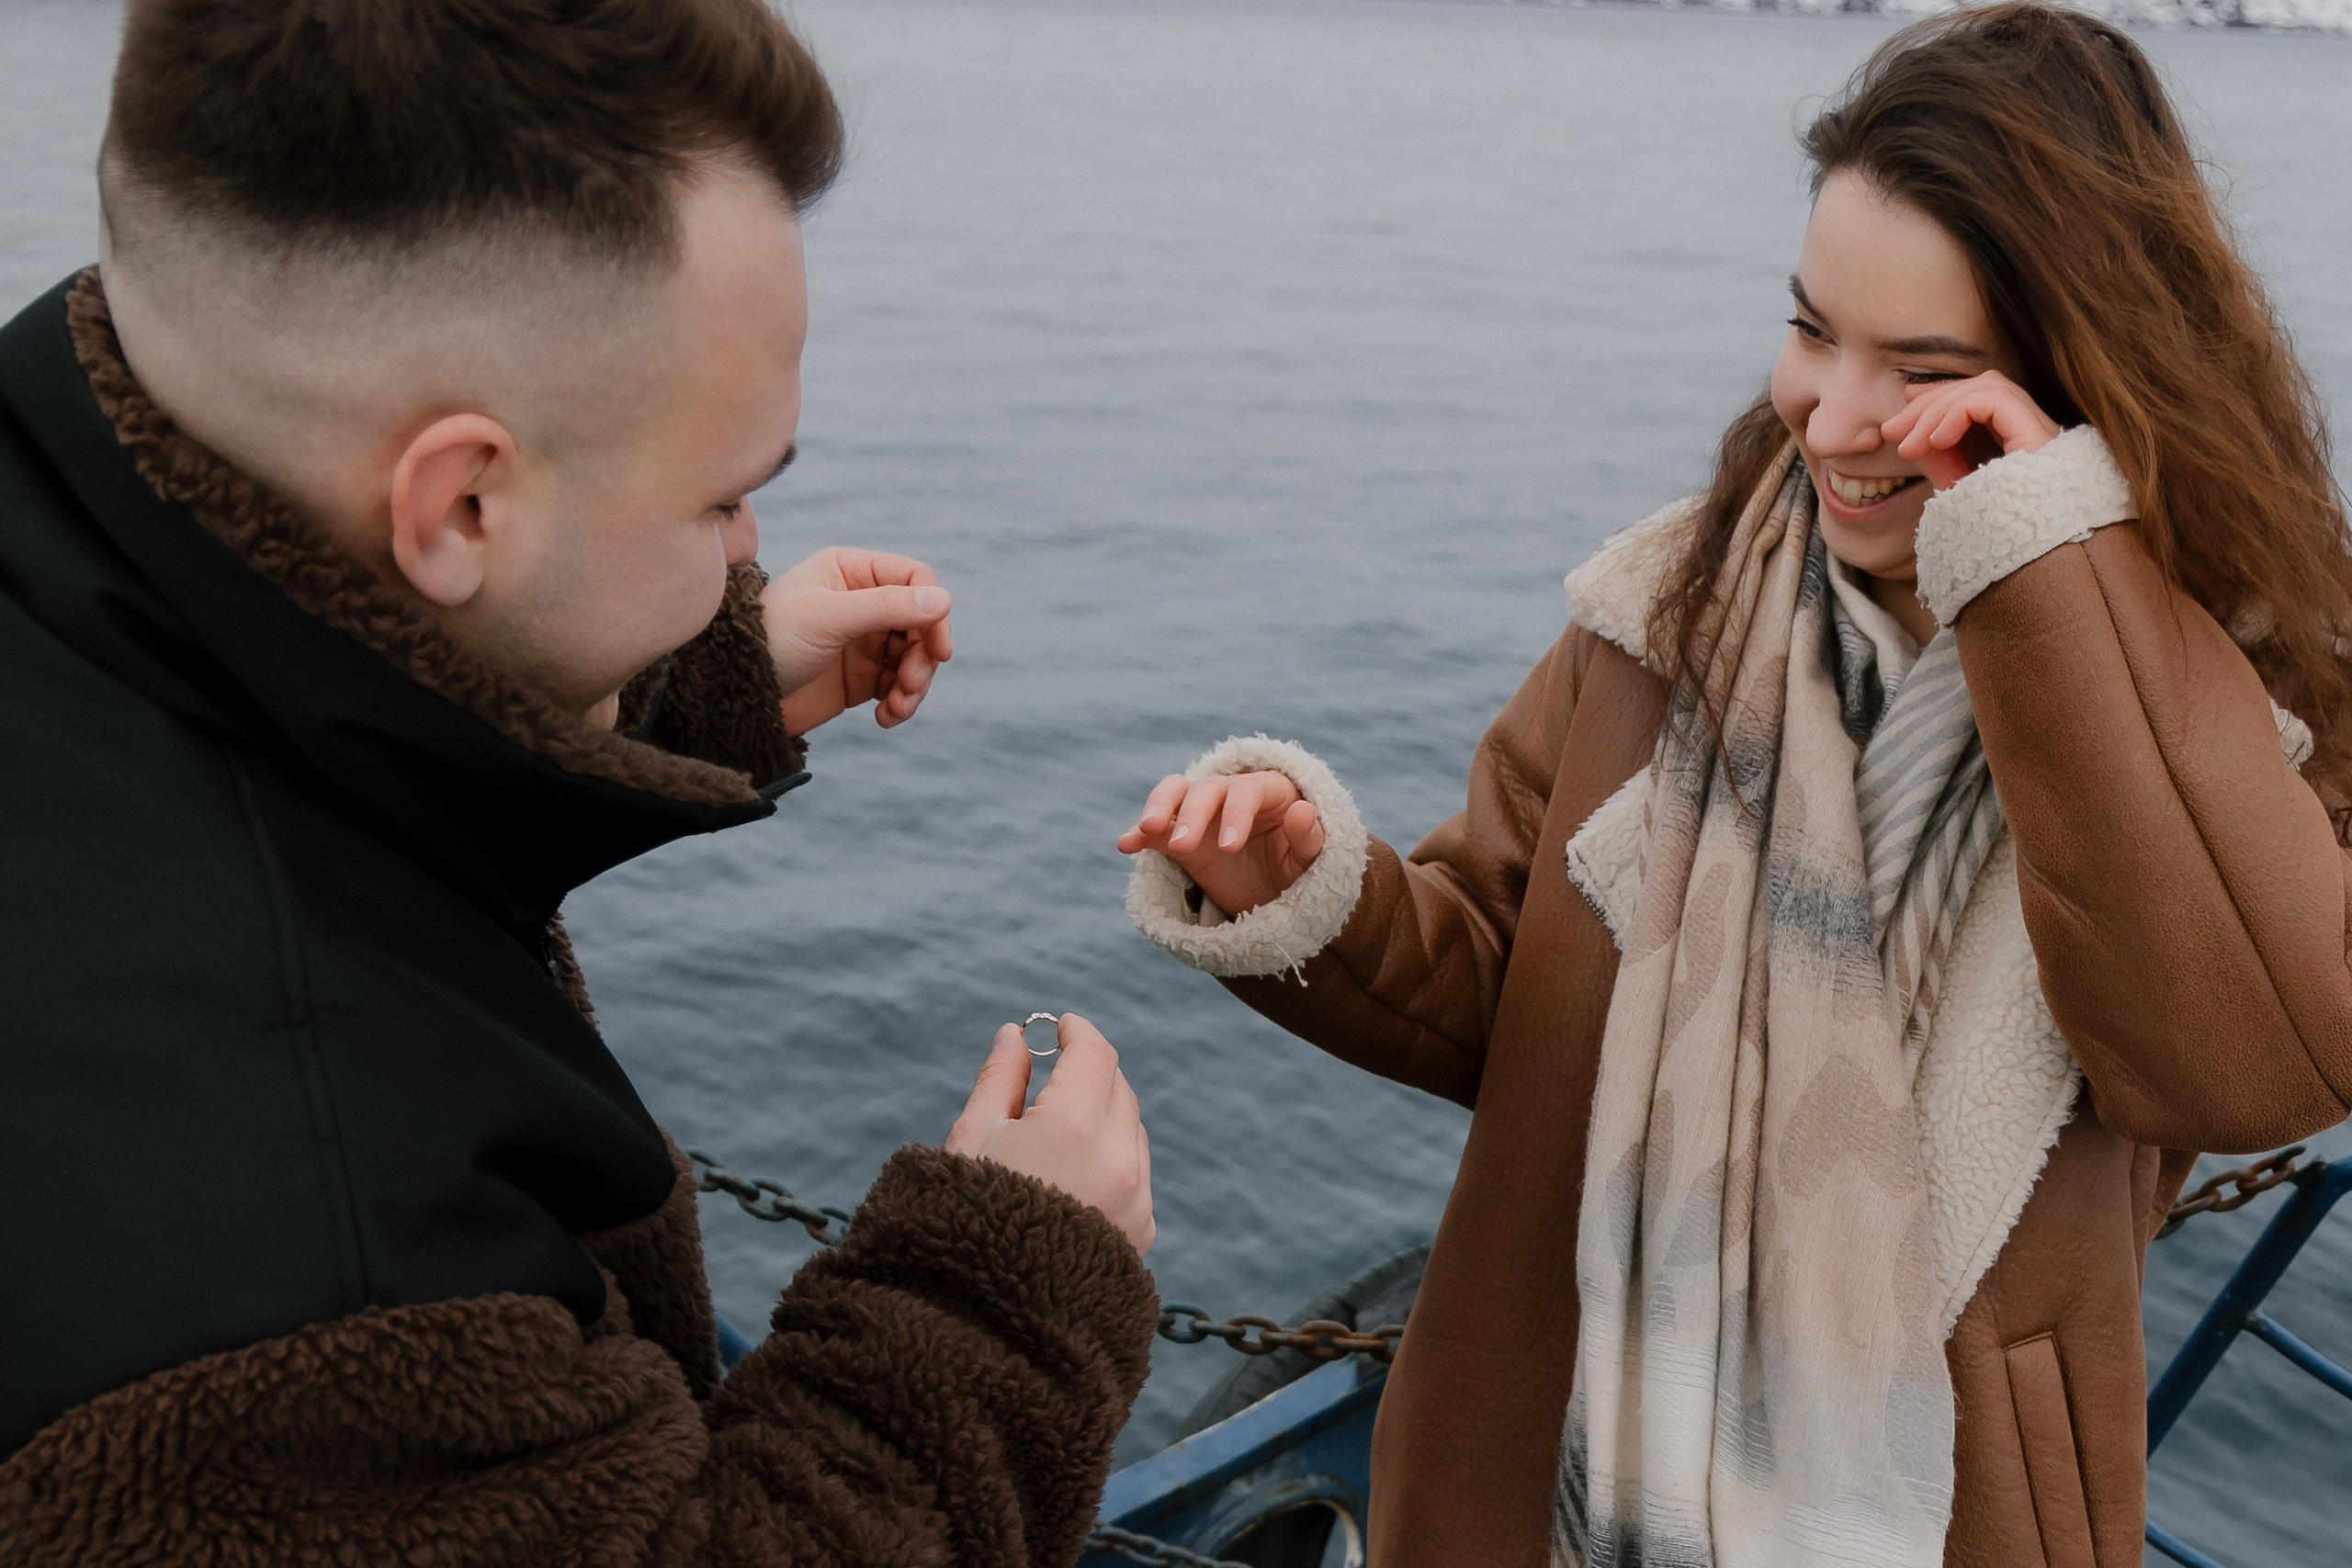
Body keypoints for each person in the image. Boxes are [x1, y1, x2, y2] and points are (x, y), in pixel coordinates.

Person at [1119, 6, 2352, 1564]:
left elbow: (2251, 1072)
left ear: (2076, 380)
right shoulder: (1673, 608)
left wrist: (2040, 568)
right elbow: (1511, 998)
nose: (1830, 417)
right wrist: (1310, 896)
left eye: (1924, 368)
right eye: (1809, 326)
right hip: (1535, 1480)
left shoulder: (2245, 690)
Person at [0, 1, 1157, 1562]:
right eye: (724, 499)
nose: (748, 550)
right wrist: (1004, 1301)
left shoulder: (74, 494)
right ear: (466, 501)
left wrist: (691, 675)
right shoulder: (320, 1286)